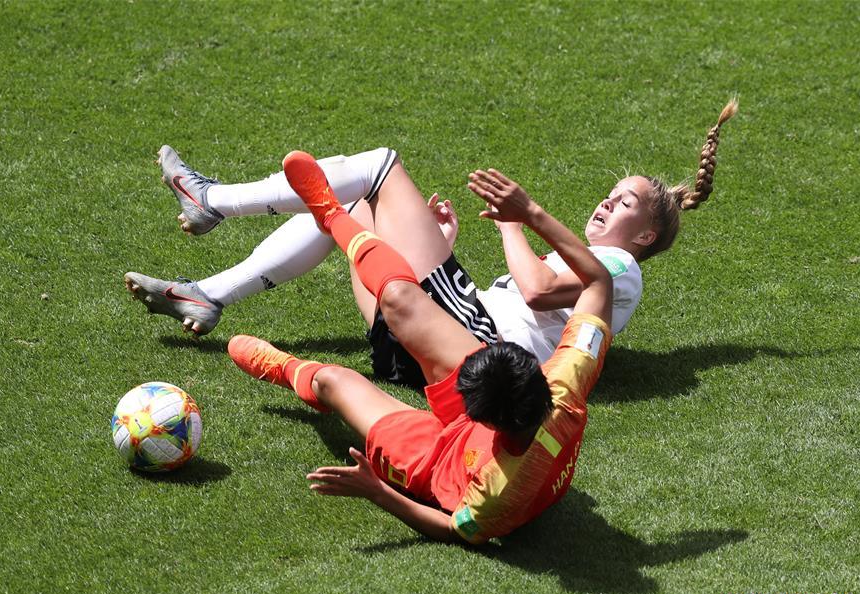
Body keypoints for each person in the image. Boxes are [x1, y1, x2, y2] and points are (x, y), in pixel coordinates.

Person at [125, 99, 737, 386]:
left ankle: (214, 201)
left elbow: (536, 289)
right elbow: (532, 299)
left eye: (623, 203)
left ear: (647, 233)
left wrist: (509, 224)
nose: (606, 203)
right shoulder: (603, 268)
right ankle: (207, 294)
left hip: (468, 341)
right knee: (350, 207)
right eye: (611, 193)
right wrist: (442, 248)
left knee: (380, 167)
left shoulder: (620, 265)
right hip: (439, 350)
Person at [227, 150, 615, 543]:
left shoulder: (498, 494)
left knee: (333, 380)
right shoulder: (566, 379)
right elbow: (600, 283)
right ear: (536, 373)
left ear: (485, 421)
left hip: (441, 460)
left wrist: (378, 492)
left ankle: (286, 369)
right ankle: (331, 215)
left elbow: (453, 527)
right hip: (507, 413)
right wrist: (528, 212)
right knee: (398, 297)